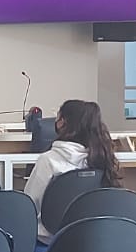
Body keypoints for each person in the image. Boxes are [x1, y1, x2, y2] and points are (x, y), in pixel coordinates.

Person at [23, 98, 122, 234]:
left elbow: (29, 205)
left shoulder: (48, 161)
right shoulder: (102, 159)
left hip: (51, 238)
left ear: (62, 122)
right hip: (94, 237)